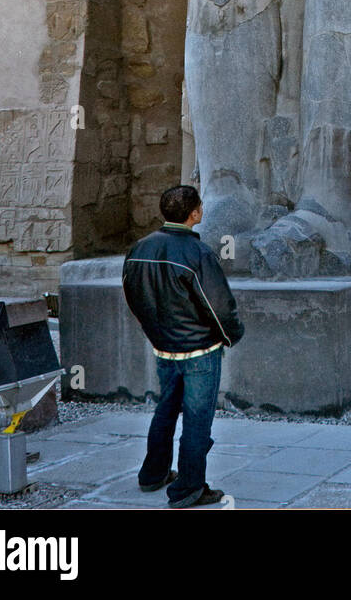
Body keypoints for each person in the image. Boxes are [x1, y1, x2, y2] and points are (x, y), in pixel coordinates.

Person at [123, 185, 245, 509]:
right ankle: (188, 489)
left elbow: (134, 296)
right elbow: (218, 305)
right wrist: (231, 335)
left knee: (165, 410)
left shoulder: (139, 248)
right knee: (196, 419)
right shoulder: (198, 253)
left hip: (164, 348)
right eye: (200, 206)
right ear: (194, 213)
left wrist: (156, 332)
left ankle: (153, 474)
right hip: (199, 351)